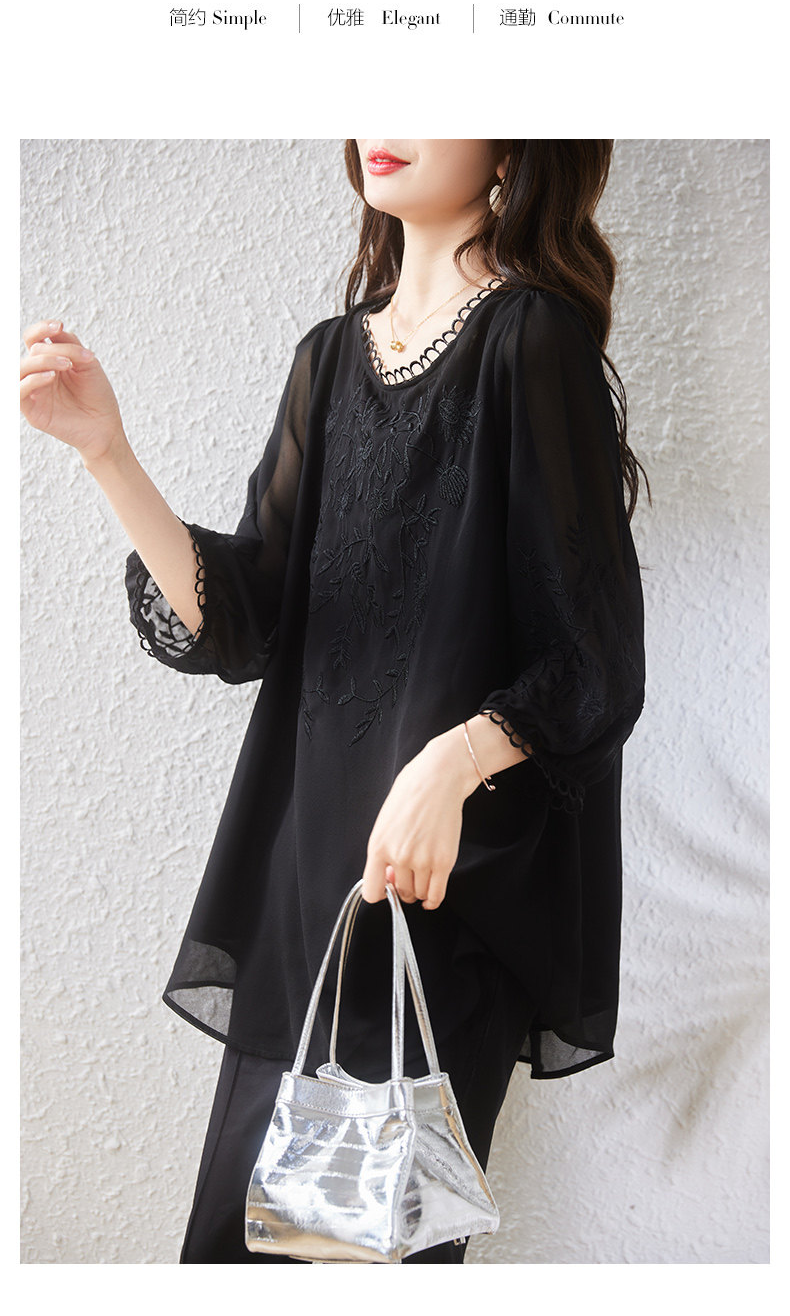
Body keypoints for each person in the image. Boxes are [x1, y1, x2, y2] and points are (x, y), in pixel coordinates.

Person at [20, 139, 648, 1264]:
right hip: (306, 892)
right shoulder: (327, 358)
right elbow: (243, 619)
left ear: (514, 139)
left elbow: (594, 657)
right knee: (230, 1252)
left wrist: (448, 764)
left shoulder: (530, 342)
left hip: (437, 900)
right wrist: (107, 453)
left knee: (358, 1263)